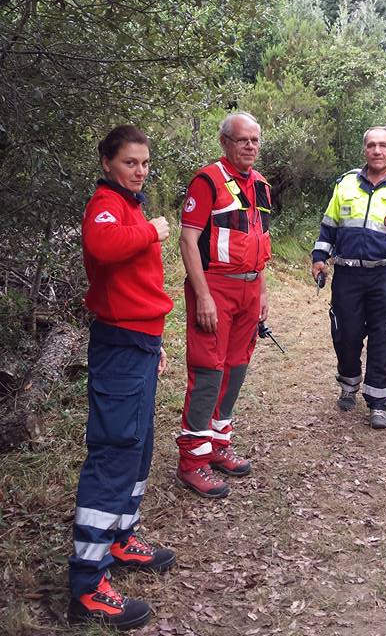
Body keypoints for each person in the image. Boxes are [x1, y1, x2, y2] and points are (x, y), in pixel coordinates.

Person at [68, 125, 176, 630]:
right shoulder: (106, 206)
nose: (140, 170)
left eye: (145, 163)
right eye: (131, 162)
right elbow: (104, 245)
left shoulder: (128, 203)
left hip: (140, 342)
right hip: (119, 344)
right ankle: (88, 585)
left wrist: (153, 344)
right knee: (114, 453)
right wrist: (153, 230)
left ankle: (120, 537)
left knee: (137, 447)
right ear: (108, 163)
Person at [176, 111, 271, 499]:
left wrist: (262, 291)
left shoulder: (261, 184)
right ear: (225, 143)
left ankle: (217, 445)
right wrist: (202, 296)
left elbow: (259, 240)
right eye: (241, 140)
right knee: (209, 371)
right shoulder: (207, 180)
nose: (249, 146)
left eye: (254, 140)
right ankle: (192, 461)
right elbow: (187, 240)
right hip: (215, 287)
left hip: (249, 289)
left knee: (236, 369)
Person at [311, 126, 386, 430]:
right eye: (371, 146)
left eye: (383, 146)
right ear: (364, 150)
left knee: (383, 336)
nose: (377, 151)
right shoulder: (345, 185)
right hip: (347, 275)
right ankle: (349, 383)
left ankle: (379, 402)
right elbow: (329, 229)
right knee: (345, 333)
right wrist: (319, 258)